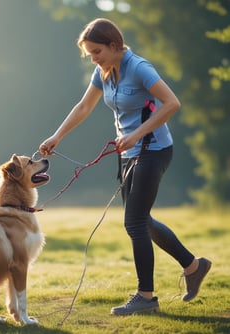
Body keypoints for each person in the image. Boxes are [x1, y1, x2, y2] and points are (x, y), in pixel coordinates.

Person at [38, 18, 211, 316]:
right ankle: (194, 266)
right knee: (141, 220)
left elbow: (172, 103)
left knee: (134, 222)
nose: (93, 58)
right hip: (128, 152)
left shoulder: (140, 68)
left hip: (154, 150)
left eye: (96, 51)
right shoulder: (103, 72)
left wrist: (136, 134)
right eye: (90, 54)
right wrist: (57, 136)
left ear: (114, 45)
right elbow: (84, 107)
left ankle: (146, 297)